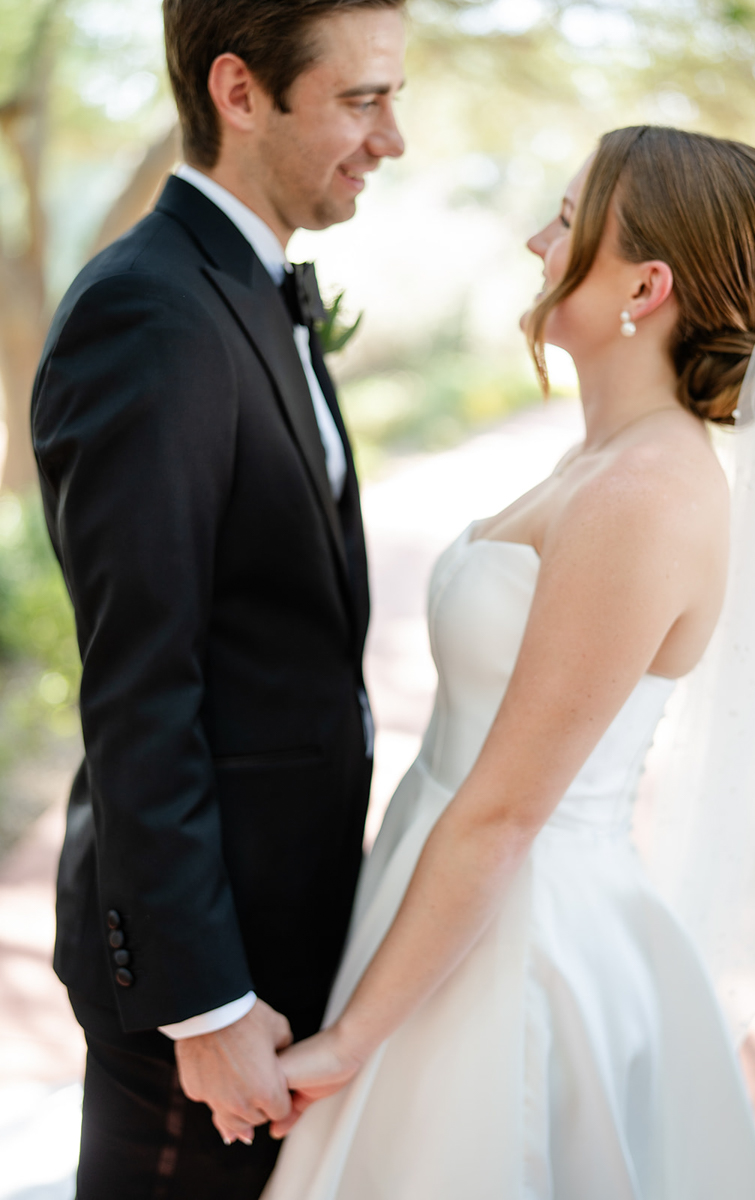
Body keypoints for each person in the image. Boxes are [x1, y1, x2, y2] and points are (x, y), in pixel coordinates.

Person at [259, 126, 755, 1199]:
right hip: (449, 892)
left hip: (512, 945)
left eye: (564, 222)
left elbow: (506, 813)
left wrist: (349, 1043)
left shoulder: (642, 494)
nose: (531, 243)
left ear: (645, 285)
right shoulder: (601, 460)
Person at [30, 2, 405, 1197]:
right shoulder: (151, 310)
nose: (390, 139)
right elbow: (143, 684)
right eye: (360, 100)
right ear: (239, 92)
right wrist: (206, 1003)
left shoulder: (249, 284)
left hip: (283, 931)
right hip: (205, 978)